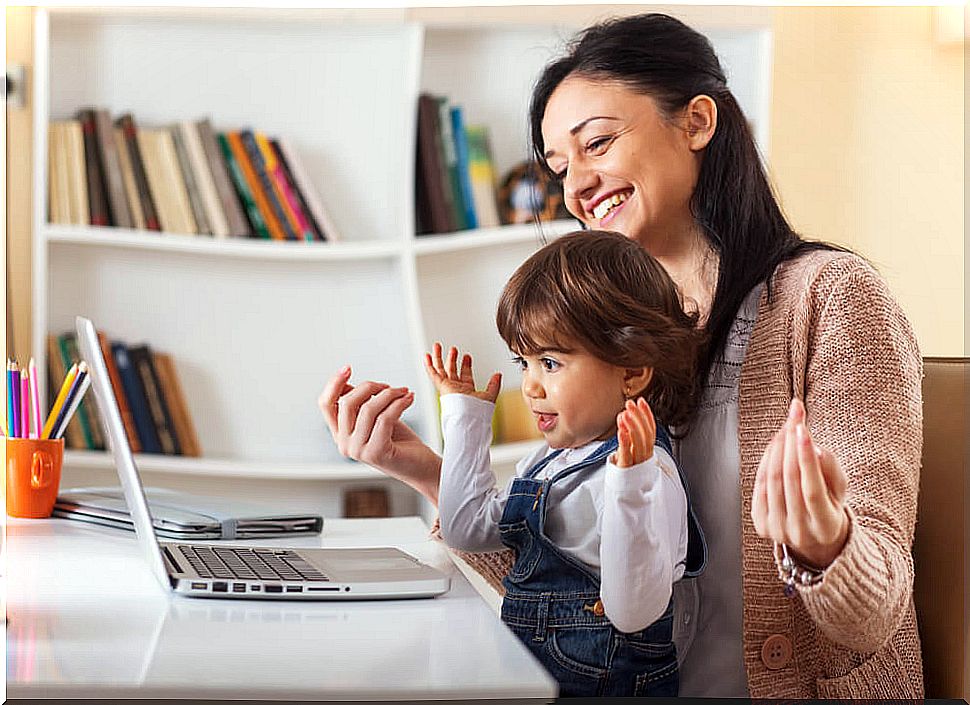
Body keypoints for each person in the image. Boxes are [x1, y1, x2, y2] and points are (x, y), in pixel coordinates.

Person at [319, 12, 923, 699]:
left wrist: (827, 544)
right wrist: (426, 470)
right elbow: (571, 592)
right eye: (558, 168)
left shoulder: (830, 299)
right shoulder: (603, 335)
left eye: (597, 142)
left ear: (697, 122)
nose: (576, 185)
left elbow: (875, 613)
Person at [427, 230, 705, 697]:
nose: (531, 386)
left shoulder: (651, 474)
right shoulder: (546, 464)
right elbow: (466, 529)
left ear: (632, 371)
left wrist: (630, 483)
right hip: (532, 677)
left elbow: (633, 610)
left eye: (550, 363)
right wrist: (465, 418)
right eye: (523, 361)